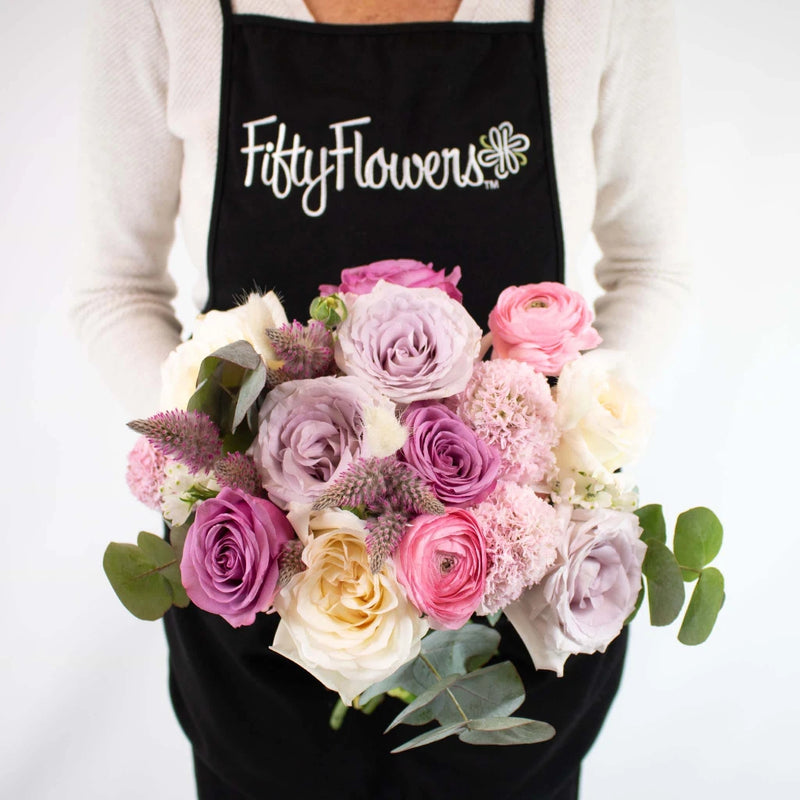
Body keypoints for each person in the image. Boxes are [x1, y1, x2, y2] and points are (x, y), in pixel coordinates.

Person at [73, 1, 690, 798]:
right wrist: (234, 467)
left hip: (510, 629)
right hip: (261, 618)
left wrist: (558, 449)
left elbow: (654, 270)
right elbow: (114, 289)